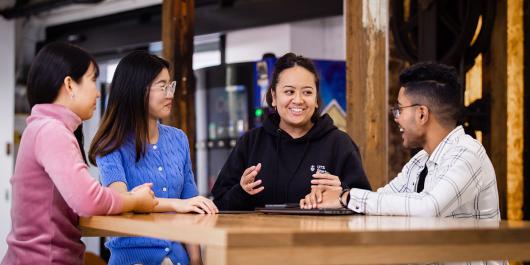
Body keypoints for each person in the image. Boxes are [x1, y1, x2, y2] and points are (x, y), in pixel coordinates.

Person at [1, 42, 158, 265]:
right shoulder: (51, 131)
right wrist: (134, 201)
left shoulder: (42, 128)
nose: (97, 92)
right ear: (70, 85)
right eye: (93, 79)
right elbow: (88, 200)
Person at [301, 62, 501, 220]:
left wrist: (347, 197)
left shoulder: (468, 154)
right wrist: (340, 195)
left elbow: (428, 207)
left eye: (399, 109)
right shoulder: (419, 162)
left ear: (422, 114)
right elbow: (383, 199)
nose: (396, 117)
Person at [89, 51, 217, 265]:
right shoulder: (111, 145)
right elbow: (120, 200)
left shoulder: (178, 139)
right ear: (137, 90)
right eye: (162, 86)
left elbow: (192, 205)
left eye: (171, 85)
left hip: (178, 259)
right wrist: (177, 205)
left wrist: (195, 259)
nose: (170, 94)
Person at [212, 52, 371, 210]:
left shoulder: (339, 144)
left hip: (319, 236)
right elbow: (218, 204)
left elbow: (365, 204)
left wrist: (342, 193)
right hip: (260, 235)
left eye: (307, 92)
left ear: (316, 99)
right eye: (289, 91)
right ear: (274, 97)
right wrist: (242, 191)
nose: (298, 100)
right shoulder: (251, 143)